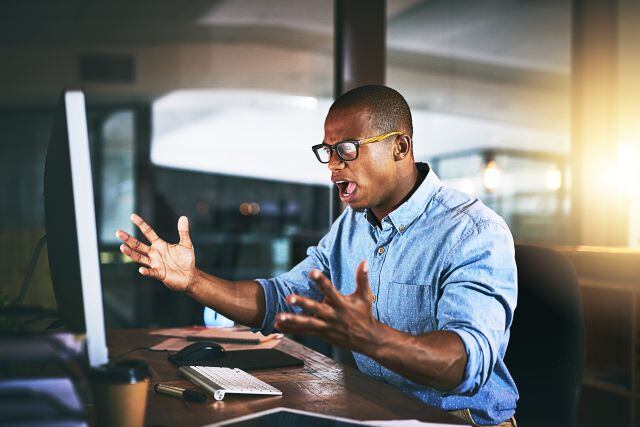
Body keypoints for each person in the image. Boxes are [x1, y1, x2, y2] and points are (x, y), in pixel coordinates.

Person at [116, 85, 518, 427]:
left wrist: (373, 338)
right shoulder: (352, 225)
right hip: (381, 411)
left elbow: (467, 365)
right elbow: (281, 299)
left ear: (400, 147)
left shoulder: (474, 232)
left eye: (346, 150)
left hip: (459, 422)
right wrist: (193, 281)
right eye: (327, 152)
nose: (333, 169)